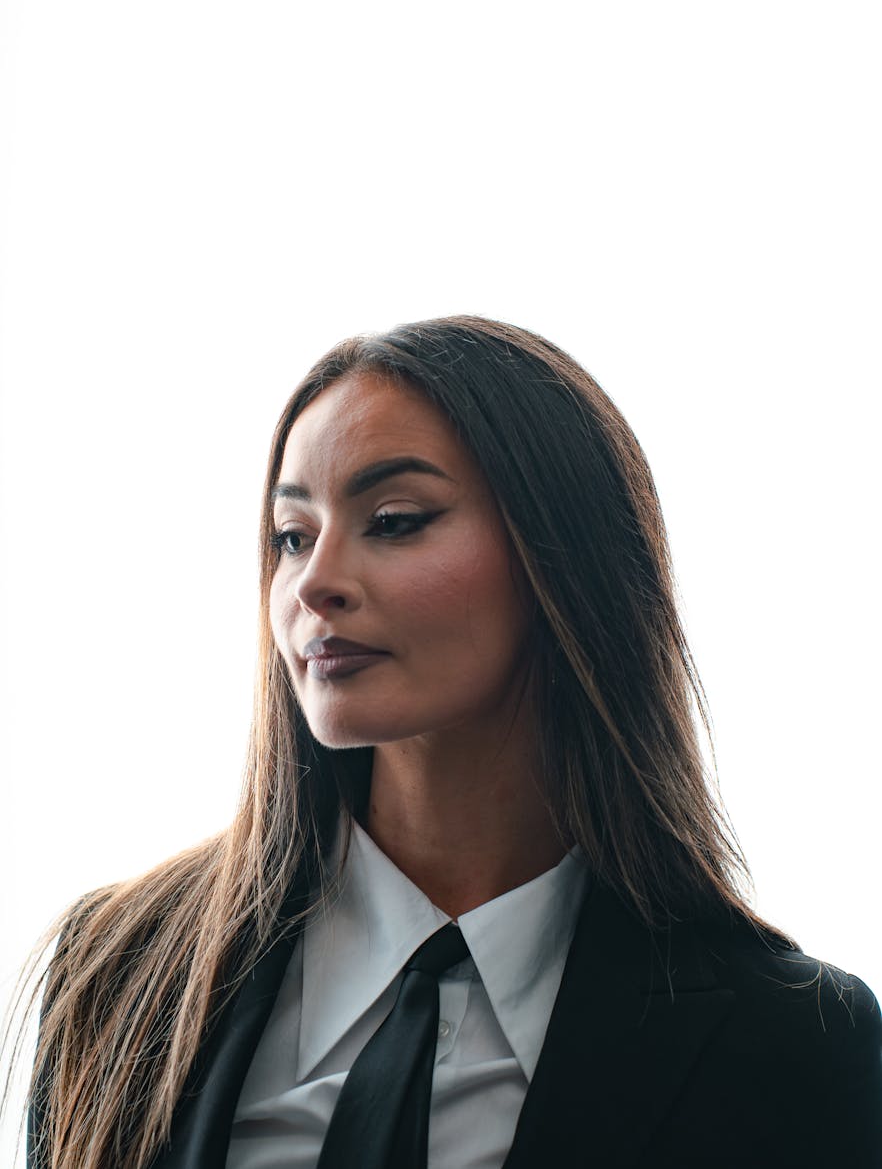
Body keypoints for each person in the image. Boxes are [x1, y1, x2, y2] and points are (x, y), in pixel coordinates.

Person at [23, 316, 882, 1168]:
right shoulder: (115, 970)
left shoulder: (799, 1045)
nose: (314, 583)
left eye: (393, 520)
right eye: (292, 536)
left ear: (564, 558)